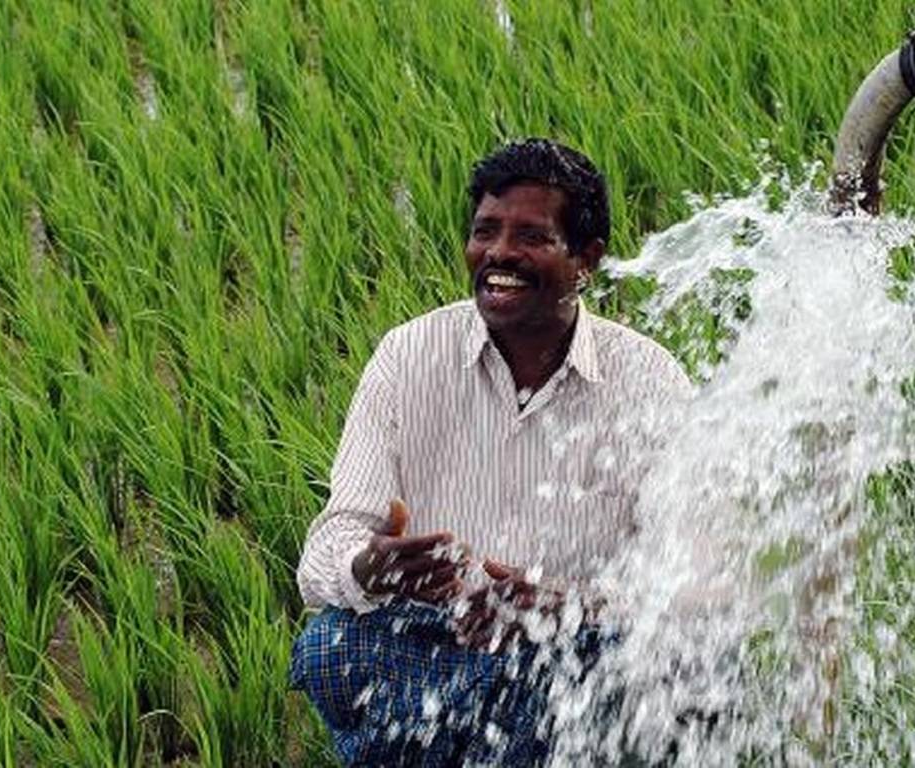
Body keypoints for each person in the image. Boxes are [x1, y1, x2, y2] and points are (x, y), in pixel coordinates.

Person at [291, 138, 692, 765]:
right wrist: (372, 566)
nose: (499, 253)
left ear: (586, 258)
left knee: (637, 677)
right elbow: (327, 547)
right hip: (435, 635)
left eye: (531, 236)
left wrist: (563, 603)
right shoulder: (407, 356)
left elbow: (689, 583)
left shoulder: (649, 380)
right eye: (485, 231)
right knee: (328, 649)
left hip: (570, 643)